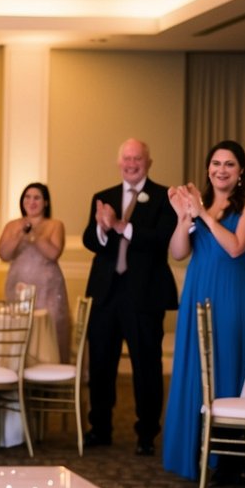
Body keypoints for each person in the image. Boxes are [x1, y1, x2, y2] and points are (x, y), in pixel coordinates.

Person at [161, 140, 245, 482]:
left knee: (229, 368)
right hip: (198, 292)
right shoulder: (196, 207)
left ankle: (229, 459)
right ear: (208, 168)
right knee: (195, 369)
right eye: (216, 163)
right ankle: (194, 450)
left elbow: (235, 248)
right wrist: (182, 218)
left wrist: (202, 213)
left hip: (233, 297)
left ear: (241, 171)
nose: (221, 169)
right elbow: (178, 253)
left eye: (229, 164)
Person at [82, 138, 178, 456]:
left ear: (148, 162)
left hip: (144, 293)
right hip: (106, 294)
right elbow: (91, 242)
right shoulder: (103, 197)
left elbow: (161, 239)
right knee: (101, 364)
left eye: (138, 158)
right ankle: (100, 428)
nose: (131, 163)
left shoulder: (165, 196)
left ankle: (147, 433)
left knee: (146, 365)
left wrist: (121, 226)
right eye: (126, 158)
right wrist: (101, 227)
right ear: (119, 162)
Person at [0, 182, 70, 362]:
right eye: (27, 197)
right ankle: (18, 372)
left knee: (49, 329)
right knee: (18, 328)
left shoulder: (55, 225)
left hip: (48, 288)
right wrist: (19, 234)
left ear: (45, 202)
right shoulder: (12, 225)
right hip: (18, 285)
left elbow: (53, 253)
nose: (31, 201)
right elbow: (4, 254)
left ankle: (49, 376)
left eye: (37, 197)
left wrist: (33, 235)